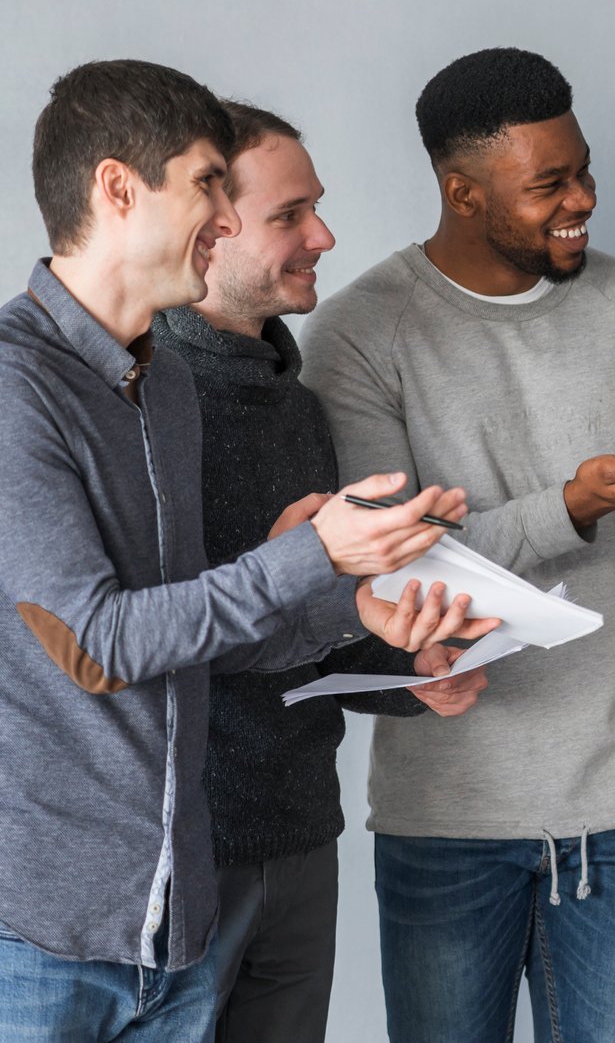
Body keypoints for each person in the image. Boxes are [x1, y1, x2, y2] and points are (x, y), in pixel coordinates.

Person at [0, 59, 487, 1041]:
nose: (226, 216)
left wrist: (353, 609)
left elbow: (190, 638)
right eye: (210, 182)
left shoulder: (159, 387)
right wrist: (310, 559)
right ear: (117, 189)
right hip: (24, 932)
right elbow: (96, 644)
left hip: (171, 924)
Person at [299, 46, 615, 1042]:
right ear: (462, 191)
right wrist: (570, 507)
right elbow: (398, 569)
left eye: (583, 168)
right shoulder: (362, 333)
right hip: (445, 818)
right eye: (549, 183)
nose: (582, 197)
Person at [150, 100, 492, 1043]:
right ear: (210, 231)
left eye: (319, 207)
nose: (324, 235)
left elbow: (310, 641)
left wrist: (411, 678)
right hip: (186, 854)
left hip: (303, 835)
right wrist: (290, 568)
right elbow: (136, 640)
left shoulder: (296, 407)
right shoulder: (141, 407)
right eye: (290, 215)